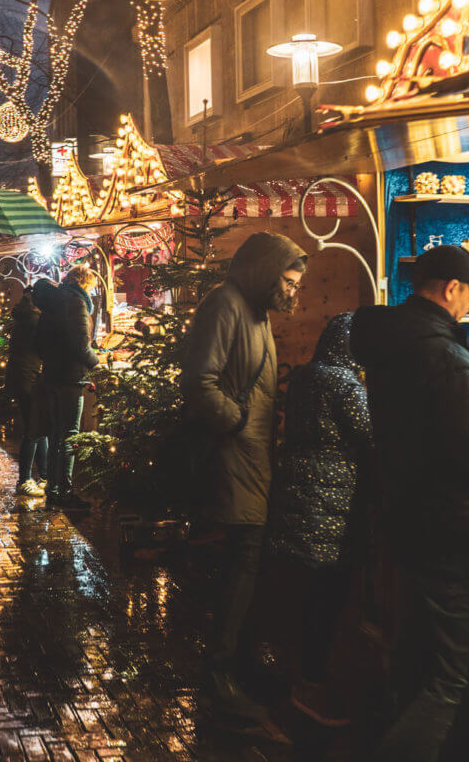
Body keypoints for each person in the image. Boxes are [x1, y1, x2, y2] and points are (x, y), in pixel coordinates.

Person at [350, 245, 469, 760]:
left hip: (410, 520)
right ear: (451, 287)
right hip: (455, 528)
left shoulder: (390, 342)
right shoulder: (445, 355)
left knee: (415, 661)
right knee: (451, 681)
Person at [181, 231, 308, 723]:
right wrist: (233, 420)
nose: (294, 291)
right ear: (264, 270)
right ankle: (219, 671)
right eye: (289, 280)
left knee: (248, 560)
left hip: (253, 455)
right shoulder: (227, 305)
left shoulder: (255, 309)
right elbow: (198, 379)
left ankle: (240, 661)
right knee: (243, 558)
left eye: (298, 285)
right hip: (234, 453)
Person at [266, 311, 370, 728]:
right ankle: (311, 687)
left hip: (299, 493)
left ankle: (295, 680)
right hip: (331, 504)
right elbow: (371, 435)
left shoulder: (309, 375)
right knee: (327, 597)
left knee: (304, 595)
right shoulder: (344, 383)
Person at [35, 265, 100, 512]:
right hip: (71, 378)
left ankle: (53, 490)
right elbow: (81, 347)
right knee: (70, 436)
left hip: (51, 375)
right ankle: (65, 492)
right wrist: (98, 365)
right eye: (92, 286)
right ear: (85, 284)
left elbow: (38, 343)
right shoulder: (76, 304)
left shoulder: (51, 303)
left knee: (55, 436)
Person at [6, 282, 48, 498]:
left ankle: (44, 475)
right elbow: (45, 347)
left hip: (24, 376)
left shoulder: (25, 314)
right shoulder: (35, 318)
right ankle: (25, 479)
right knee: (33, 429)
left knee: (39, 428)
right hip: (30, 377)